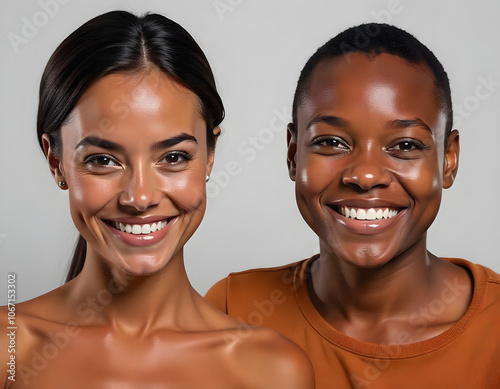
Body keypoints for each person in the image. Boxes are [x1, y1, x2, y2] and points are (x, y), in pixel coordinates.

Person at [0, 11, 314, 388]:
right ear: (56, 161)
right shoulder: (10, 350)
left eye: (174, 157)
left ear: (210, 155)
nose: (140, 197)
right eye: (103, 160)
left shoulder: (271, 370)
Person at [206, 23, 500, 388]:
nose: (364, 175)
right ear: (293, 154)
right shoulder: (234, 310)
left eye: (405, 146)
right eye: (331, 142)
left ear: (448, 160)